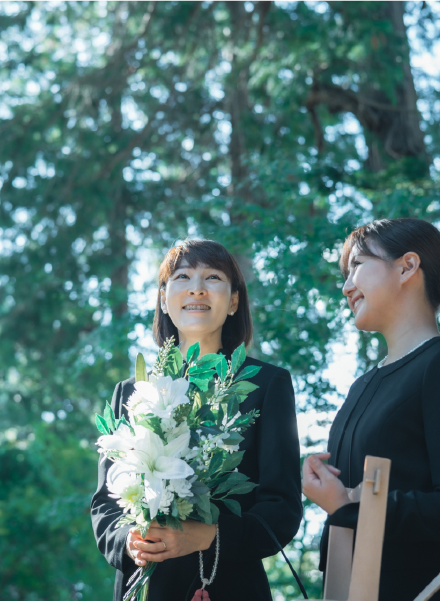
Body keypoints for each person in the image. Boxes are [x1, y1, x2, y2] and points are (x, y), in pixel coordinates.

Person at [91, 239, 302, 601]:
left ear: (234, 300)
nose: (197, 288)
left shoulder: (267, 385)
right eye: (183, 276)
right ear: (162, 298)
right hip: (147, 587)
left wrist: (208, 536)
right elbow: (105, 504)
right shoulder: (131, 392)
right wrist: (129, 542)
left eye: (213, 277)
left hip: (228, 586)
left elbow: (281, 508)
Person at [302, 218, 440, 601]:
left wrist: (348, 505)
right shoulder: (362, 385)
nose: (346, 286)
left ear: (407, 266)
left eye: (357, 265)